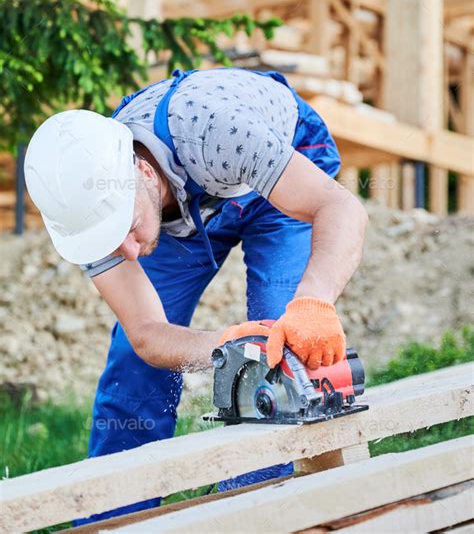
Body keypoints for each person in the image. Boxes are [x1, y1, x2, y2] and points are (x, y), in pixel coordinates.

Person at [24, 67, 367, 522]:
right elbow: (147, 333)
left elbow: (340, 206)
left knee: (283, 357)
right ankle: (116, 520)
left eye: (126, 230)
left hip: (279, 161)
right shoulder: (84, 208)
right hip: (186, 195)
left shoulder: (215, 129)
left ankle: (254, 515)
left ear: (144, 172)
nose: (127, 252)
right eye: (109, 243)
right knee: (136, 363)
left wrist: (314, 301)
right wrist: (231, 348)